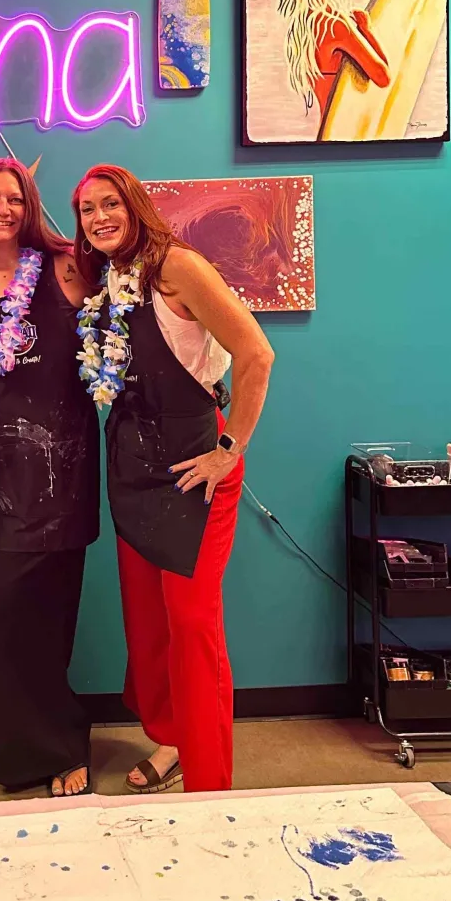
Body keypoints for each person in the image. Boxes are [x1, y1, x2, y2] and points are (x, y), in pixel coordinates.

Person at [72, 164, 274, 794]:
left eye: (110, 204)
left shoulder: (178, 266)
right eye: (86, 209)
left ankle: (210, 784)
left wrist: (228, 450)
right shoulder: (111, 277)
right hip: (132, 468)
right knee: (149, 624)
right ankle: (172, 741)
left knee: (192, 627)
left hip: (193, 473)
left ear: (135, 206)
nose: (99, 217)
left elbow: (257, 355)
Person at [0, 159, 98, 797]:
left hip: (54, 479)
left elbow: (138, 311)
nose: (2, 208)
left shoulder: (67, 268)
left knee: (34, 613)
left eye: (15, 198)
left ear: (31, 205)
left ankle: (58, 746)